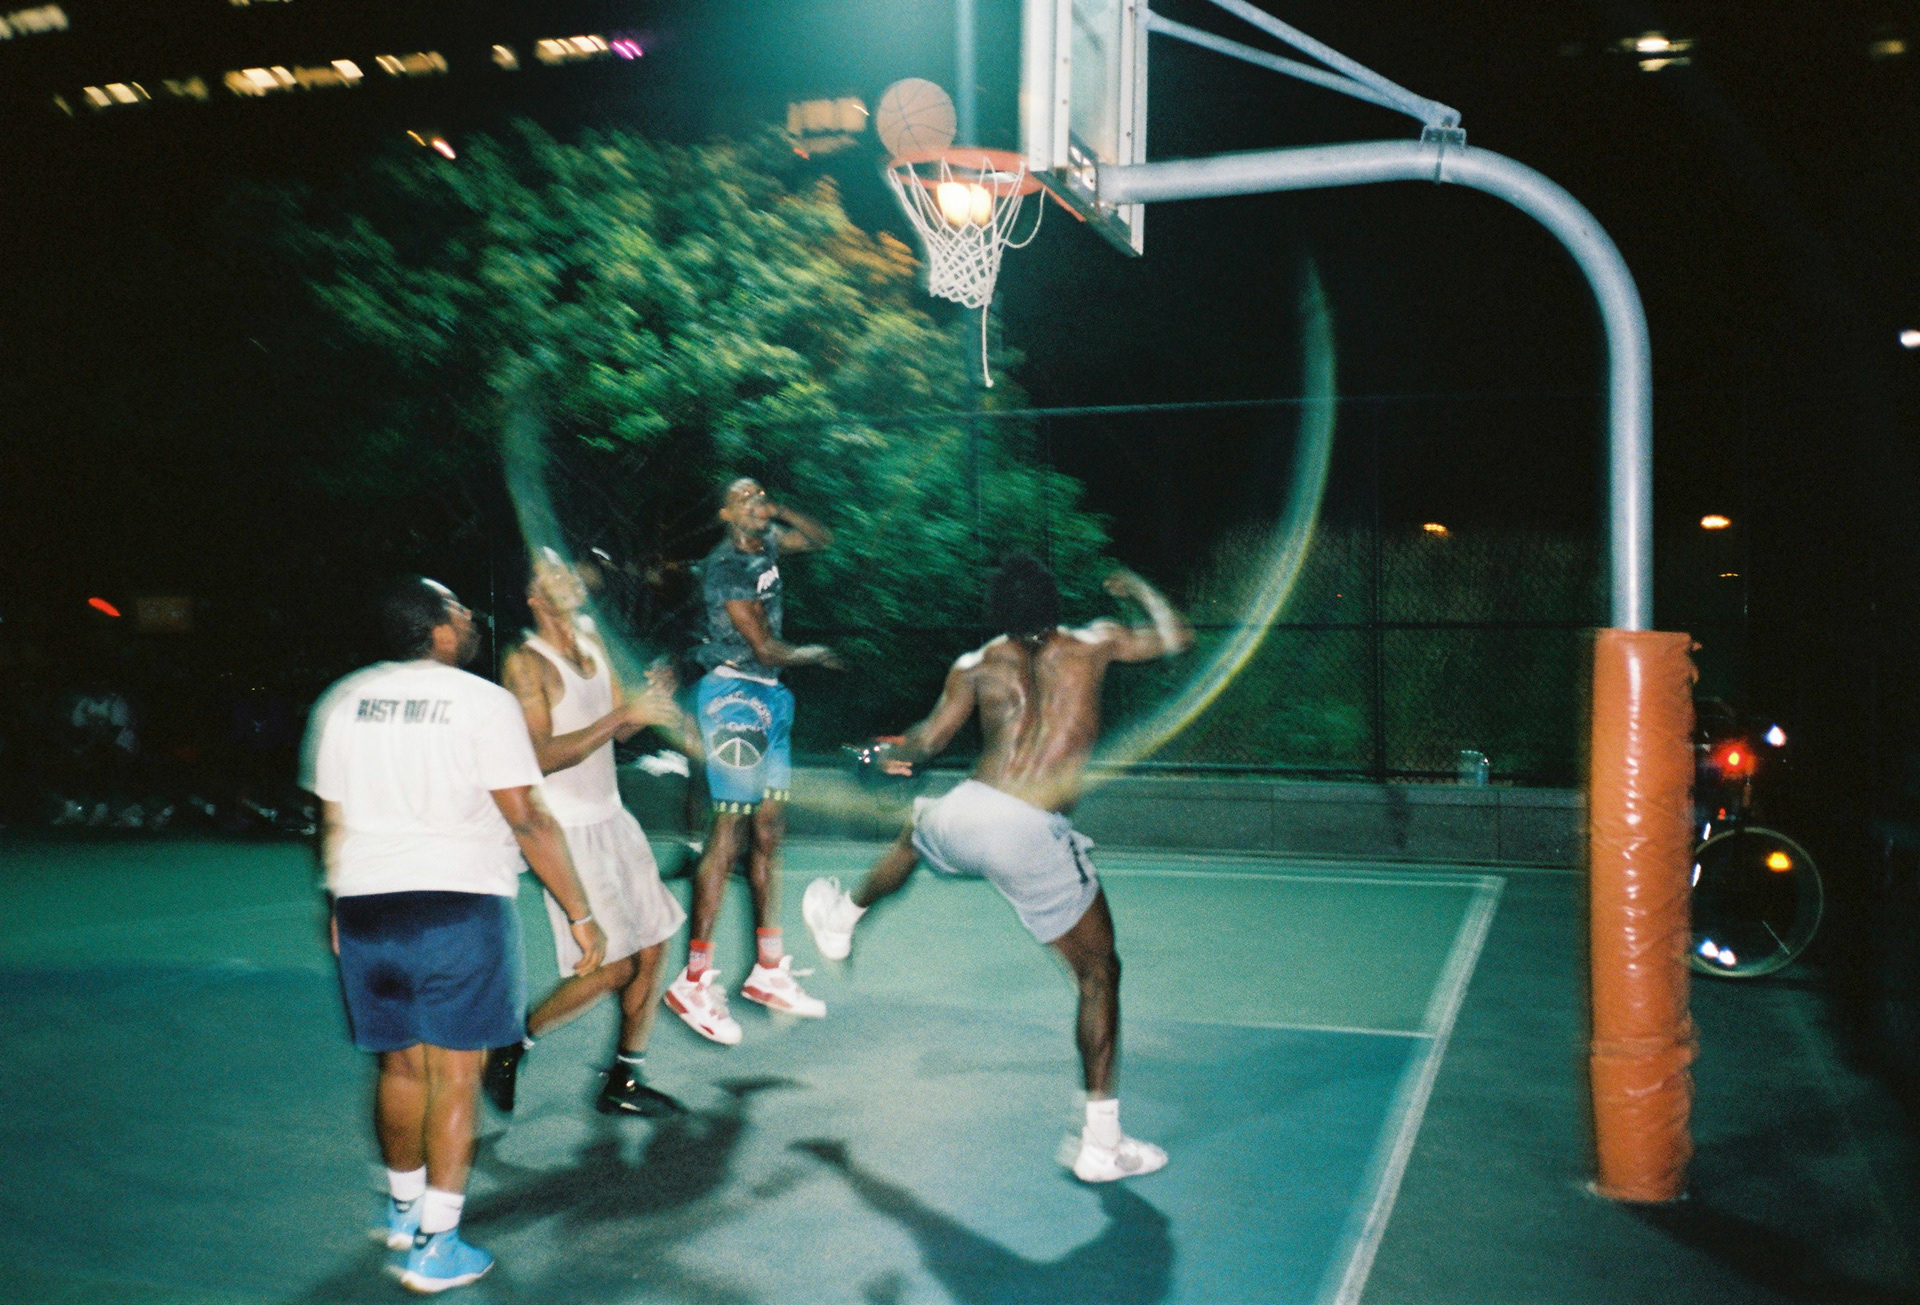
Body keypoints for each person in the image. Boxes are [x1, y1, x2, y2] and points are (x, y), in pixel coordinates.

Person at [801, 555, 1192, 1182]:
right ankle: (1100, 1146)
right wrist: (1138, 585)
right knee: (1099, 974)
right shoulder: (1095, 643)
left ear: (998, 614)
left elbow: (925, 744)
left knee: (918, 830)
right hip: (1030, 830)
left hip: (970, 809)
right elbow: (1178, 637)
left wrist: (881, 753)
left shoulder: (975, 665)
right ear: (1054, 603)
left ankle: (844, 919)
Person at [306, 576, 606, 1293]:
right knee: (457, 1076)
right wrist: (580, 911)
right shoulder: (482, 703)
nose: (471, 618)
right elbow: (525, 815)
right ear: (436, 627)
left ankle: (402, 1211)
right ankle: (437, 1246)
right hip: (457, 905)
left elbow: (332, 819)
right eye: (460, 610)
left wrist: (337, 905)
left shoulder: (344, 701)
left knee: (399, 1069)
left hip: (368, 905)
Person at [482, 555, 695, 1118]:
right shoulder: (526, 663)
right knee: (612, 966)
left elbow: (618, 727)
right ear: (533, 596)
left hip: (613, 818)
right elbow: (539, 756)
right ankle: (514, 1042)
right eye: (553, 573)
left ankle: (624, 1077)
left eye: (570, 571)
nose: (570, 578)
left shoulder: (592, 642)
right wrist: (621, 715)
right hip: (567, 830)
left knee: (653, 946)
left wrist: (647, 704)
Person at [665, 477, 840, 1044]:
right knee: (730, 831)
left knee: (769, 829)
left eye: (760, 497)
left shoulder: (767, 545)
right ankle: (694, 980)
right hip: (734, 694)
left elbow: (822, 539)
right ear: (725, 513)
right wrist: (814, 654)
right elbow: (764, 648)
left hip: (770, 695)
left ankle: (767, 969)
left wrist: (780, 508)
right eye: (744, 499)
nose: (756, 505)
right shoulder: (725, 568)